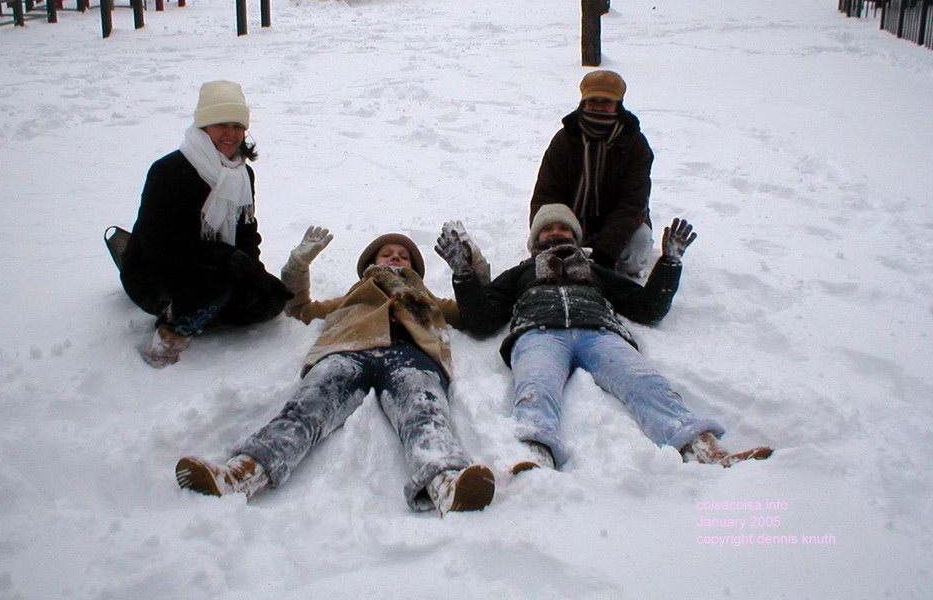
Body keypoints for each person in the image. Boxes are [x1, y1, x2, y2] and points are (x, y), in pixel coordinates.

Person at [175, 228, 496, 515]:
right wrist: (297, 268)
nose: (396, 258)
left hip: (410, 357)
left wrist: (471, 268)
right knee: (307, 408)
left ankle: (446, 484)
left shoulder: (426, 298)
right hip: (349, 350)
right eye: (388, 254)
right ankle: (240, 473)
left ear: (414, 269)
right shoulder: (354, 295)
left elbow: (472, 313)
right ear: (371, 262)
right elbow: (300, 310)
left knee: (425, 413)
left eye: (404, 256)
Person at [435, 203, 772, 473]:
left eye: (563, 228)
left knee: (646, 383)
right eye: (547, 229)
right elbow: (481, 321)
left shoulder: (596, 270)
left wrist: (670, 263)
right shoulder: (520, 272)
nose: (555, 233)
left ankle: (704, 449)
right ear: (535, 240)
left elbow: (647, 308)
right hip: (538, 334)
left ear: (576, 236)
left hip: (600, 334)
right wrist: (464, 275)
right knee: (536, 389)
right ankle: (535, 456)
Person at [119, 80, 290, 368]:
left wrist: (254, 272)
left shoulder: (241, 173)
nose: (231, 134)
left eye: (237, 126)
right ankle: (171, 332)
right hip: (155, 273)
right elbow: (156, 243)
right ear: (203, 127)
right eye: (221, 124)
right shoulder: (169, 170)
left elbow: (246, 231)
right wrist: (224, 257)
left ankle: (209, 311)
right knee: (216, 283)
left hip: (215, 267)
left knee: (271, 300)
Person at [530, 70, 654, 276]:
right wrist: (555, 233)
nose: (598, 106)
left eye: (605, 101)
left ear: (618, 104)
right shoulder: (564, 140)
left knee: (638, 243)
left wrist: (606, 251)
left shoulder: (635, 144)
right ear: (583, 102)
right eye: (592, 100)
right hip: (569, 224)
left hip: (616, 226)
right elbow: (546, 195)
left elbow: (633, 203)